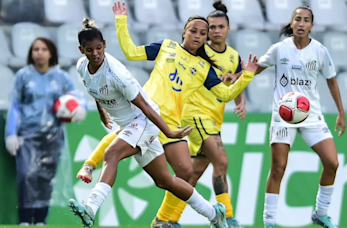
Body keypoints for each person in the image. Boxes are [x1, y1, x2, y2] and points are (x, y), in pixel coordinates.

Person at [74, 1, 258, 227]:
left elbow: (226, 94)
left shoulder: (204, 68)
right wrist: (121, 21)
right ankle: (90, 186)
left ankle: (206, 214)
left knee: (182, 173)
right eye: (194, 31)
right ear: (184, 31)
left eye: (203, 33)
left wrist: (247, 75)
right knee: (116, 151)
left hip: (167, 122)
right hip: (145, 116)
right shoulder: (166, 47)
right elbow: (131, 53)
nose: (198, 36)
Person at [253, 6, 346, 228]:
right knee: (278, 167)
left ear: (312, 25)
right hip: (283, 115)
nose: (301, 24)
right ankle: (269, 222)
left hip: (311, 114)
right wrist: (237, 75)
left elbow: (331, 80)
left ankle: (321, 213)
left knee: (332, 163)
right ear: (292, 23)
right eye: (298, 19)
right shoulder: (279, 49)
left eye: (306, 20)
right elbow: (257, 67)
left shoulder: (320, 51)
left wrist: (341, 112)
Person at [166, 2, 245, 228]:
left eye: (221, 27)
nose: (216, 31)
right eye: (212, 27)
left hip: (213, 119)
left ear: (228, 28)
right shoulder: (200, 51)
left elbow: (236, 82)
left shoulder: (233, 57)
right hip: (197, 115)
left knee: (193, 173)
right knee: (221, 160)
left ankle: (168, 219)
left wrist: (241, 101)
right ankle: (227, 218)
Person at [5, 37, 87, 225]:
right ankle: (25, 219)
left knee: (45, 178)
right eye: (35, 49)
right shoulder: (23, 76)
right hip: (27, 135)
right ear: (31, 53)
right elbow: (15, 105)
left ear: (51, 53)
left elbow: (76, 97)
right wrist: (11, 133)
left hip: (52, 137)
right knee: (26, 176)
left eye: (43, 49)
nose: (39, 52)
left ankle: (41, 219)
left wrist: (80, 108)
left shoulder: (61, 77)